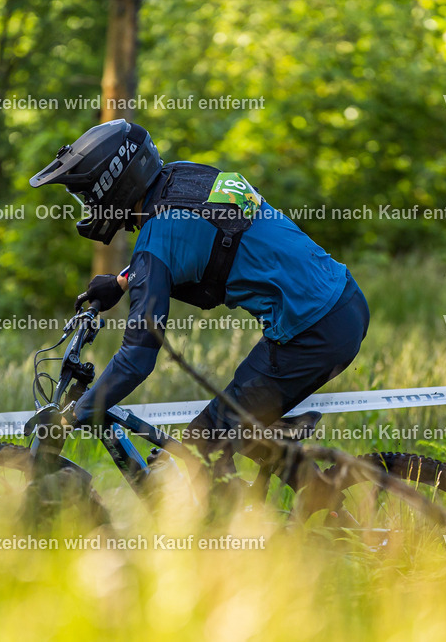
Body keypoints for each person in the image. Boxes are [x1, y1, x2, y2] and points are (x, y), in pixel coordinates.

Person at [29, 119, 369, 494]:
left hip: (312, 332)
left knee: (196, 448)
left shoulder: (155, 243)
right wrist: (124, 281)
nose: (90, 207)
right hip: (343, 301)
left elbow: (136, 360)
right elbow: (199, 236)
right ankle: (319, 502)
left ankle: (243, 538)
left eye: (89, 196)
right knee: (236, 427)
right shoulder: (185, 178)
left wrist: (74, 416)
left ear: (112, 185)